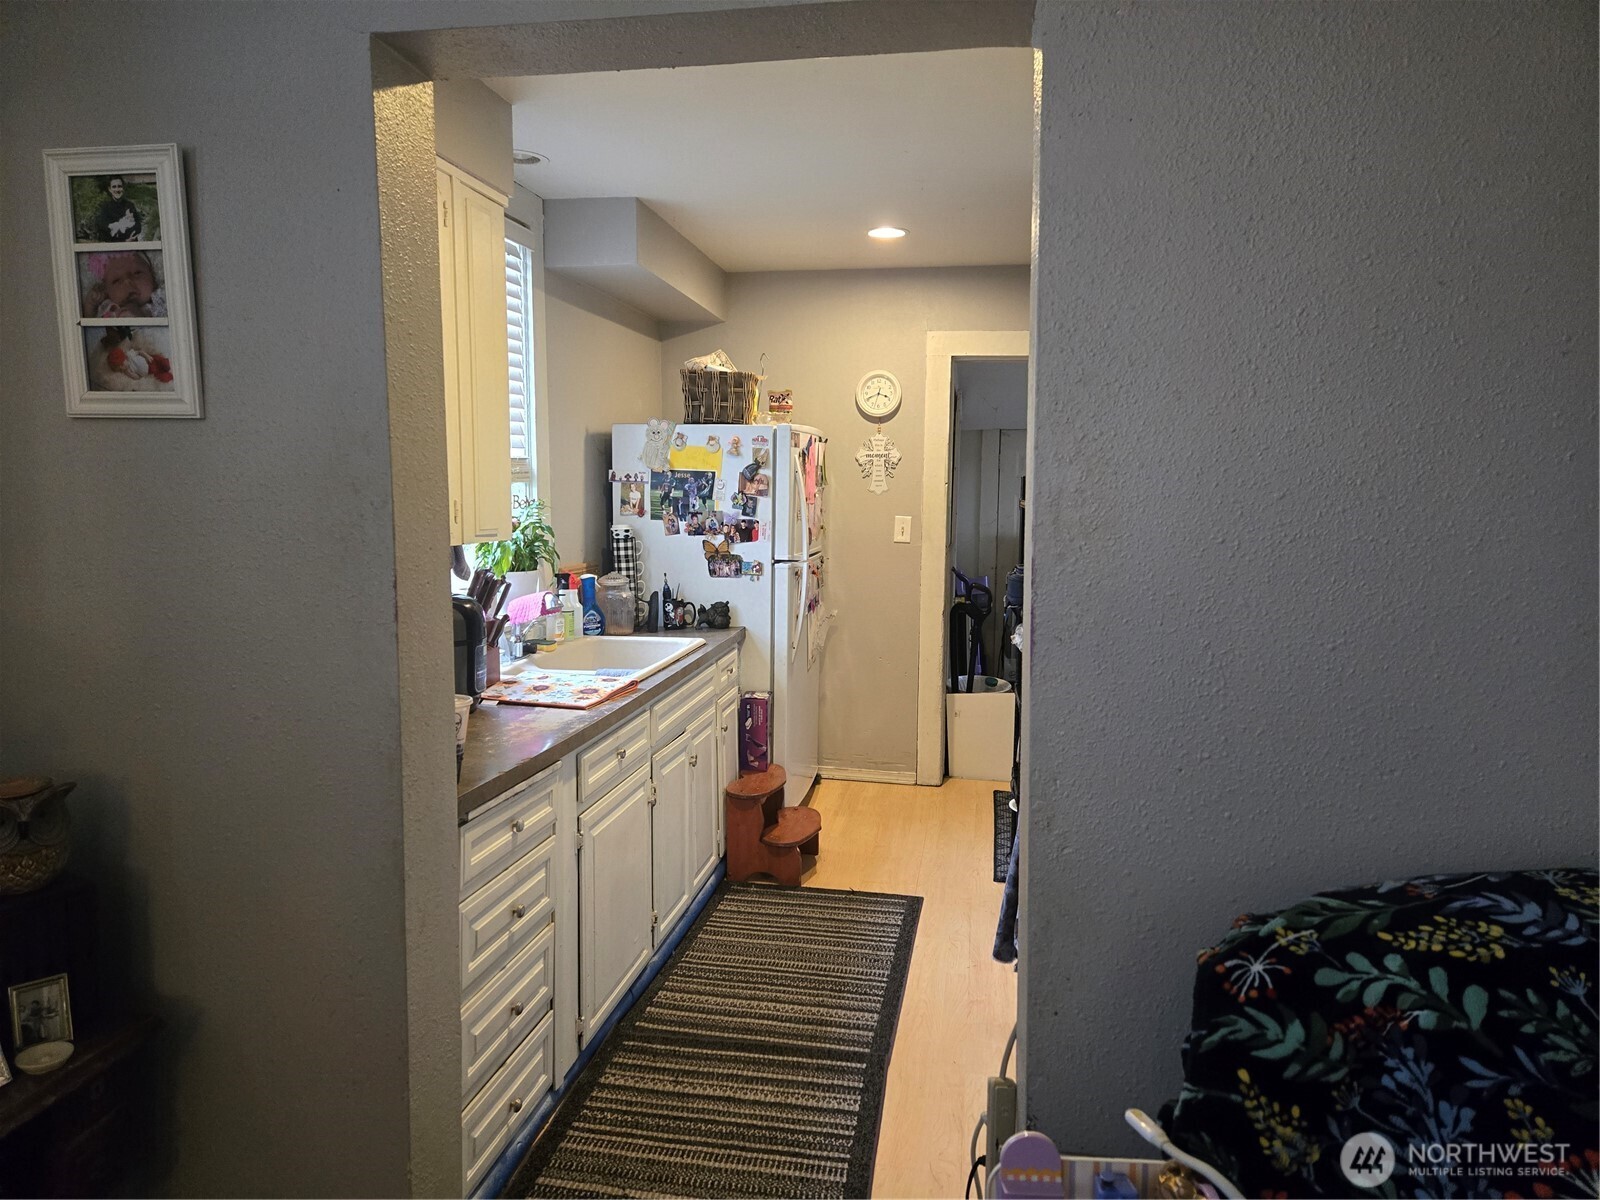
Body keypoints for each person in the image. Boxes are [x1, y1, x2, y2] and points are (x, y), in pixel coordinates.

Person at [81, 250, 165, 318]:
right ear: (106, 290)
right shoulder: (106, 307)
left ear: (152, 276)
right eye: (116, 280)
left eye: (137, 273)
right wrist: (90, 306)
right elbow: (89, 328)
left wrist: (140, 318)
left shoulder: (160, 304)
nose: (127, 281)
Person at [93, 176, 142, 242]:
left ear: (123, 188)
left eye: (119, 186)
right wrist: (124, 241)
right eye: (114, 187)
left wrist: (131, 238)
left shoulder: (130, 205)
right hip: (114, 245)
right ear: (109, 189)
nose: (117, 190)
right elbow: (103, 230)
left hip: (131, 243)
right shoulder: (105, 207)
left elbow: (138, 226)